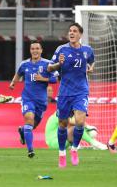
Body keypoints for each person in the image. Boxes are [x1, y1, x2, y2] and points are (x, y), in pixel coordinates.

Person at [48, 23, 95, 168]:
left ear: (80, 34)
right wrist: (59, 64)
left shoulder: (87, 50)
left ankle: (74, 150)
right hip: (65, 93)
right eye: (70, 31)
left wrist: (91, 68)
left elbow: (92, 62)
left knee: (80, 122)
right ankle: (62, 153)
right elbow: (50, 67)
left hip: (81, 91)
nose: (72, 33)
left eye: (75, 31)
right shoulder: (61, 49)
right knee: (63, 124)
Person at [9, 41, 58, 158]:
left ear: (41, 50)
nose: (35, 51)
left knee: (32, 126)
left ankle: (22, 132)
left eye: (37, 48)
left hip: (41, 101)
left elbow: (55, 79)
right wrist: (13, 83)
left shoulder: (48, 64)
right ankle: (30, 150)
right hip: (27, 98)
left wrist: (43, 78)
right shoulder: (24, 64)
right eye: (32, 49)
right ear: (30, 51)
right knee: (29, 119)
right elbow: (18, 74)